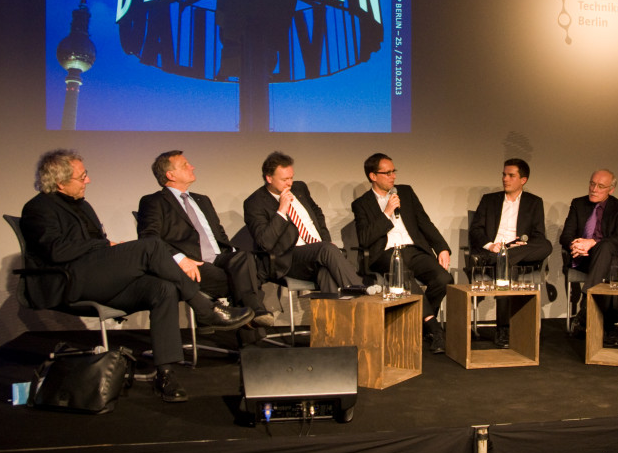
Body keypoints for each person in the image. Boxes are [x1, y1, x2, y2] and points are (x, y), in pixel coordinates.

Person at [20, 150, 253, 403]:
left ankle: (165, 373)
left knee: (162, 288)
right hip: (70, 281)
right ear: (60, 182)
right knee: (151, 245)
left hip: (98, 278)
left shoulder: (83, 205)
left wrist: (106, 247)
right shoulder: (38, 208)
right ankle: (205, 309)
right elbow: (57, 250)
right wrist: (104, 247)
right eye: (82, 176)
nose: (88, 181)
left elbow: (94, 243)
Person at [137, 150, 274, 330]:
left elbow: (219, 234)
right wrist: (179, 259)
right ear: (170, 175)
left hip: (219, 258)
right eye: (185, 165)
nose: (192, 167)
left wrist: (232, 254)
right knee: (245, 279)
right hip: (193, 263)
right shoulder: (153, 201)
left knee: (244, 258)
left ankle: (247, 322)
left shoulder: (202, 200)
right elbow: (149, 238)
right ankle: (255, 321)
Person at [352, 153, 454, 354]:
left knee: (444, 278)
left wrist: (442, 247)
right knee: (404, 276)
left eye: (393, 171)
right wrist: (387, 213)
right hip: (386, 254)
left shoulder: (405, 193)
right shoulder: (362, 204)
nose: (393, 176)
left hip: (413, 250)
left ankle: (424, 325)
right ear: (373, 176)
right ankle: (435, 329)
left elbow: (424, 222)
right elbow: (364, 238)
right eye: (387, 172)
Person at [243, 151, 363, 294]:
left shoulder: (299, 188)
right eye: (284, 179)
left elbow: (317, 214)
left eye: (291, 178)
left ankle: (333, 315)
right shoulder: (254, 203)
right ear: (269, 178)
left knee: (326, 272)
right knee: (327, 249)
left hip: (318, 252)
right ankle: (362, 294)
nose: (290, 183)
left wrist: (325, 240)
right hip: (289, 258)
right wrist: (281, 210)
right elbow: (264, 242)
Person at [468, 159, 552, 347]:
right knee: (508, 267)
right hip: (494, 251)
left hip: (518, 250)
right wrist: (491, 246)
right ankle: (503, 329)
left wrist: (523, 244)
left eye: (511, 175)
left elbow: (539, 236)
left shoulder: (534, 203)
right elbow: (476, 230)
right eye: (504, 175)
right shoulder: (489, 200)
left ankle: (506, 258)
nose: (505, 179)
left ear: (523, 180)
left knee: (546, 245)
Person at [559, 169, 618, 345]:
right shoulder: (578, 204)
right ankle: (608, 329)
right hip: (583, 259)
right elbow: (566, 235)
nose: (594, 189)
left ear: (611, 190)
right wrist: (575, 245)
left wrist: (592, 243)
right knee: (610, 266)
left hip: (606, 259)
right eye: (592, 183)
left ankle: (586, 307)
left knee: (608, 252)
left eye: (600, 186)